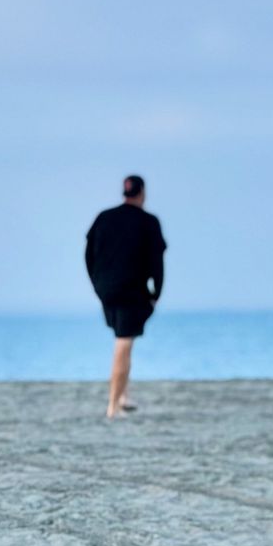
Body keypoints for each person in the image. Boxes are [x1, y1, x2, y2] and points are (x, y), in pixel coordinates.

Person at [84, 175, 166, 419]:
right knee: (124, 342)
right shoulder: (148, 222)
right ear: (142, 193)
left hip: (107, 290)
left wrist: (97, 284)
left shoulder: (104, 218)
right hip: (132, 291)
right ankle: (113, 406)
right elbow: (157, 261)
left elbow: (88, 254)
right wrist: (156, 292)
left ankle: (122, 396)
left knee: (122, 338)